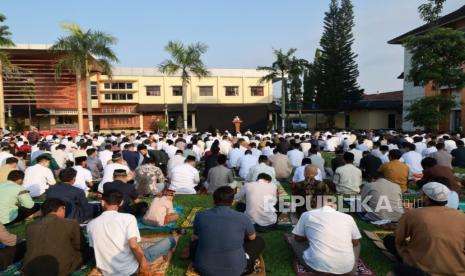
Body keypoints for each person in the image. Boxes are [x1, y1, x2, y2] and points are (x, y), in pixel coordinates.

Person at [383, 182, 465, 275]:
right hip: (457, 270)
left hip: (423, 269)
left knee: (389, 240)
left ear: (425, 197)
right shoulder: (462, 216)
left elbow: (398, 239)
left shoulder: (413, 214)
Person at [87, 190, 176, 276]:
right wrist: (143, 264)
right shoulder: (128, 218)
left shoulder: (90, 224)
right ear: (121, 203)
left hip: (107, 272)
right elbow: (133, 245)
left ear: (102, 202)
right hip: (131, 269)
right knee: (170, 241)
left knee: (141, 247)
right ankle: (153, 261)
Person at [191, 186, 265, 275]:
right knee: (258, 241)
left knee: (195, 243)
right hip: (235, 270)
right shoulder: (242, 217)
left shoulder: (200, 216)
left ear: (213, 200)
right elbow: (252, 237)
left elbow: (195, 237)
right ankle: (246, 258)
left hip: (204, 268)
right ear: (232, 202)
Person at [290, 196, 362, 274]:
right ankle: (347, 263)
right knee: (357, 243)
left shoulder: (307, 215)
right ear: (334, 205)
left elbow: (298, 238)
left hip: (317, 267)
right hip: (347, 269)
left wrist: (310, 236)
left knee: (293, 239)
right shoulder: (348, 217)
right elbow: (355, 242)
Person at [23, 198, 85, 276]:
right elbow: (79, 246)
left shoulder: (30, 226)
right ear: (61, 209)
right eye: (64, 208)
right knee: (88, 251)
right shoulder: (71, 224)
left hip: (30, 270)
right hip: (59, 270)